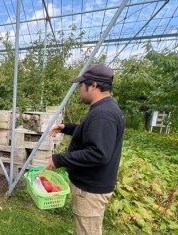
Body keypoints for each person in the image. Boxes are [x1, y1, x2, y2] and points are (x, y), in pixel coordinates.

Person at [44, 65, 125, 235]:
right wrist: (66, 127)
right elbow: (91, 132)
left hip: (90, 189)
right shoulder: (105, 108)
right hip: (92, 185)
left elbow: (98, 153)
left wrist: (59, 159)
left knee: (87, 231)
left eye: (82, 85)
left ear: (93, 85)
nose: (80, 89)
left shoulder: (103, 114)